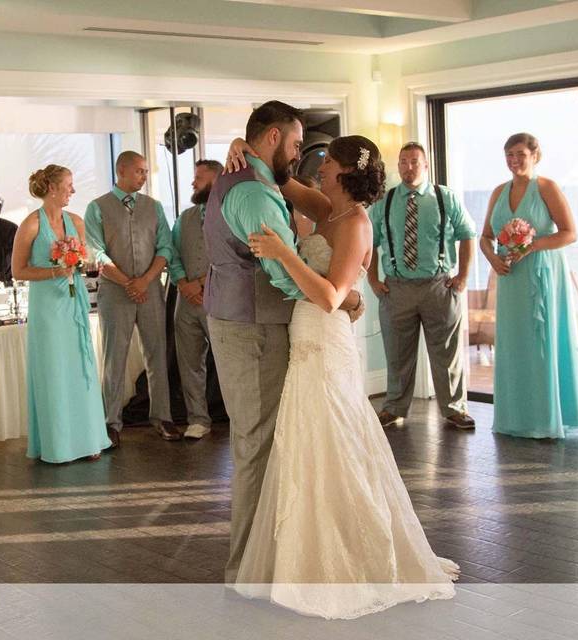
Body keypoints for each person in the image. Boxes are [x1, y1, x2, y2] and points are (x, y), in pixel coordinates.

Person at [233, 135, 458, 619]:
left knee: (334, 438)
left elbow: (333, 296)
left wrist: (283, 253)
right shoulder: (325, 208)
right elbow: (280, 180)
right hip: (304, 339)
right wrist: (242, 146)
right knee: (307, 441)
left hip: (326, 338)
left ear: (343, 172)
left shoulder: (354, 220)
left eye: (328, 161)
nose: (320, 165)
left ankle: (349, 555)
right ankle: (306, 551)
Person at [203, 101, 363, 584]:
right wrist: (338, 294)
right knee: (258, 447)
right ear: (272, 138)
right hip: (255, 328)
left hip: (266, 325)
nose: (304, 159)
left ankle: (277, 558)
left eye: (325, 163)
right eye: (296, 145)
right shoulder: (254, 190)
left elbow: (289, 219)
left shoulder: (263, 183)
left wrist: (242, 148)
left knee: (279, 441)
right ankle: (248, 570)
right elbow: (286, 274)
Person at [480, 133, 578, 439]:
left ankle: (545, 418)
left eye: (520, 154)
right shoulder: (499, 191)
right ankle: (516, 419)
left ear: (535, 155)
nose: (514, 161)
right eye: (509, 156)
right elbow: (485, 236)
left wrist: (532, 245)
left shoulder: (547, 188)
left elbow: (569, 233)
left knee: (542, 344)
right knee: (514, 344)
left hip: (541, 273)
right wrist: (492, 259)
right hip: (510, 276)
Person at [367, 142, 477, 430]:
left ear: (425, 165)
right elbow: (369, 242)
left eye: (414, 161)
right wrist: (373, 279)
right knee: (397, 352)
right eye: (403, 161)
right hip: (396, 288)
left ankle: (454, 409)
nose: (408, 167)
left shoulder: (445, 198)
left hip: (439, 286)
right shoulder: (386, 201)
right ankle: (393, 408)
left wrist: (463, 276)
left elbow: (468, 234)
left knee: (446, 353)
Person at [12, 165, 112, 463]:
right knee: (54, 369)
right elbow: (18, 270)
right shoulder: (30, 225)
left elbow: (84, 260)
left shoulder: (77, 222)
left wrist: (81, 264)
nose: (73, 190)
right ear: (53, 188)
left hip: (73, 303)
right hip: (47, 307)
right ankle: (59, 445)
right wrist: (56, 269)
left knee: (80, 367)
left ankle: (89, 439)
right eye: (69, 184)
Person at [84, 151, 177, 446]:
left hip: (150, 291)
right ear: (121, 170)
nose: (144, 176)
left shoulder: (154, 207)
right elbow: (96, 253)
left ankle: (162, 417)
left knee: (157, 355)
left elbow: (166, 248)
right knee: (114, 359)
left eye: (146, 171)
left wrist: (145, 281)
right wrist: (128, 283)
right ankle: (110, 423)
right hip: (114, 294)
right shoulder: (96, 208)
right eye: (139, 171)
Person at [168, 159, 223, 439]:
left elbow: (234, 257)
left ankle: (240, 419)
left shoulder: (229, 212)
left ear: (216, 180)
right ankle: (198, 419)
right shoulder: (185, 217)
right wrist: (183, 282)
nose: (193, 182)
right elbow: (172, 252)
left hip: (220, 299)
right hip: (186, 302)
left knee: (228, 362)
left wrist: (201, 283)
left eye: (199, 178)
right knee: (189, 363)